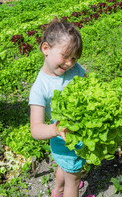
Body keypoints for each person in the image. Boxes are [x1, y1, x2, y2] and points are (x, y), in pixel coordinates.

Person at [29, 17, 95, 197]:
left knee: (65, 167)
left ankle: (57, 190)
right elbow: (35, 129)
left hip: (76, 133)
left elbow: (88, 83)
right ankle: (66, 190)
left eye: (74, 58)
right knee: (73, 180)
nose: (69, 63)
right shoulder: (40, 88)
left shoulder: (73, 69)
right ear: (45, 49)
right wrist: (55, 129)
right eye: (65, 56)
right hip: (64, 139)